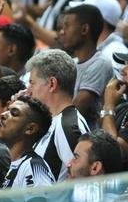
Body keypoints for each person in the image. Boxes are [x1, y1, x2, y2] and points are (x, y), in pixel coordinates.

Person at [24, 48, 89, 180]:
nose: (28, 91)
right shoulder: (54, 122)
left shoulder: (68, 127)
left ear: (52, 84)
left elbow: (84, 179)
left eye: (32, 83)